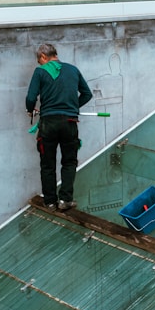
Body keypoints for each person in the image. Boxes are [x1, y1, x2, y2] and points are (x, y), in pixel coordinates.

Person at [26, 44, 93, 211]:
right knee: (69, 162)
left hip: (48, 124)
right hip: (70, 122)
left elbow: (31, 97)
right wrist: (73, 107)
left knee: (47, 164)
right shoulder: (73, 70)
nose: (40, 64)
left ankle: (49, 202)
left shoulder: (40, 72)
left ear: (43, 56)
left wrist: (30, 109)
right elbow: (87, 94)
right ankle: (65, 200)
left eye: (39, 61)